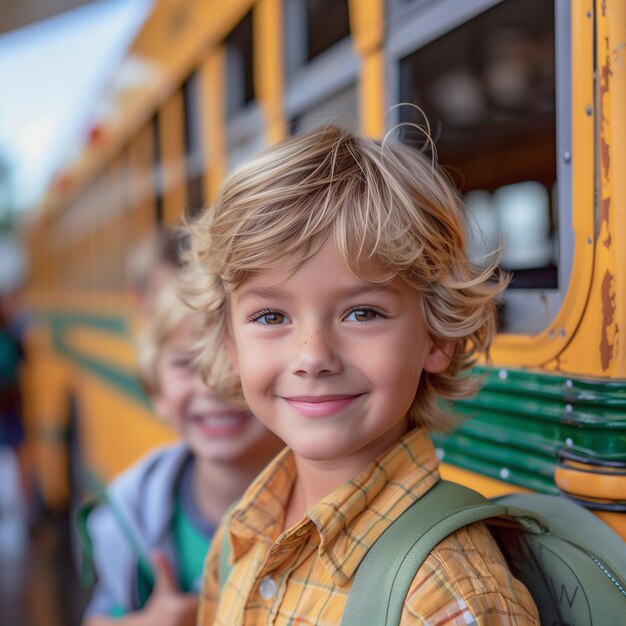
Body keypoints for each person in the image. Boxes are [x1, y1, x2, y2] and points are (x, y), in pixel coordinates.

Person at [183, 125, 540, 625]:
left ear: (437, 338)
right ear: (230, 344)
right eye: (270, 317)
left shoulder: (443, 594)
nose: (313, 356)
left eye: (362, 313)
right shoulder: (242, 532)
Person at [80, 277, 284, 626]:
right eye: (187, 364)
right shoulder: (136, 516)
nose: (213, 385)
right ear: (156, 390)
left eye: (234, 360)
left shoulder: (324, 501)